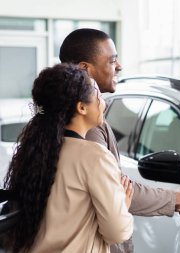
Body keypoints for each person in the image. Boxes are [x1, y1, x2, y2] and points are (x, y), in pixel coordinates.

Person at [59, 28, 180, 253]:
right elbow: (114, 194)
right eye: (112, 60)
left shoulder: (66, 120)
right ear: (85, 68)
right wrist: (178, 199)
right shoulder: (87, 131)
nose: (119, 66)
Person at [3, 63, 134, 253]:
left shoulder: (32, 152)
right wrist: (123, 204)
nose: (103, 103)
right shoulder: (94, 156)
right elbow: (117, 232)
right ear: (81, 107)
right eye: (98, 96)